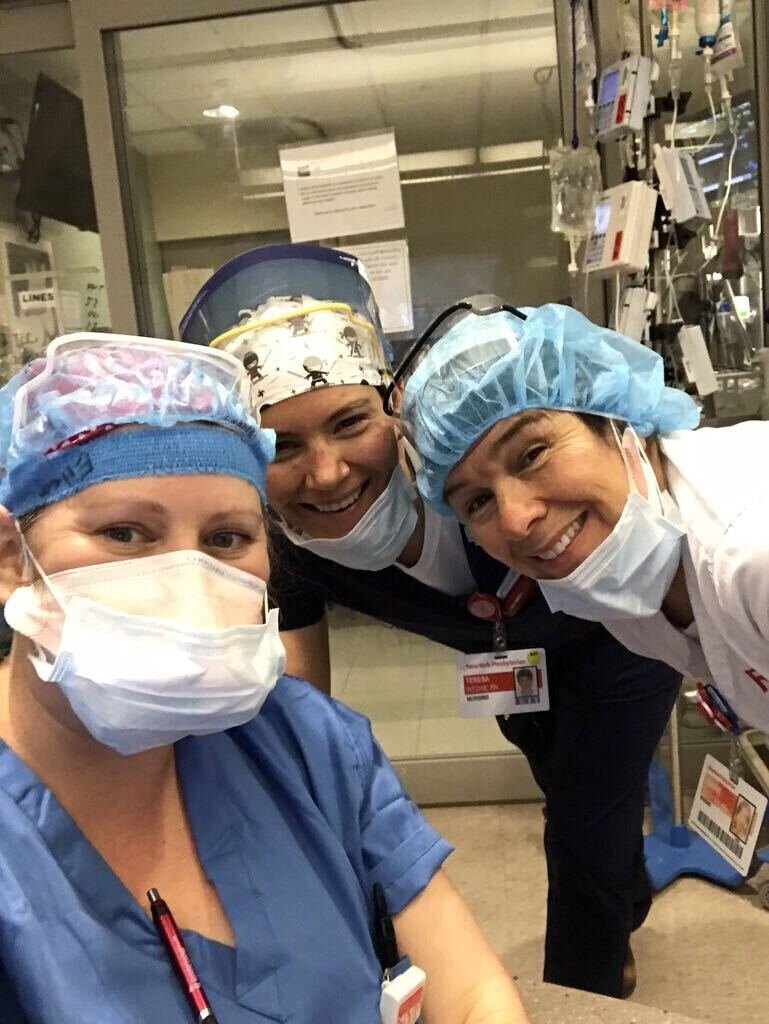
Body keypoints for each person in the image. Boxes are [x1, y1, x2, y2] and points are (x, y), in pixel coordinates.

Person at [180, 245, 683, 999]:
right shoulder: (291, 543)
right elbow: (299, 699)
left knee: (583, 827)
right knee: (570, 795)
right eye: (280, 447)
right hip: (515, 670)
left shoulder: (470, 452)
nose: (326, 473)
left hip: (615, 639)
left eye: (350, 422)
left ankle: (587, 984)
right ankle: (623, 892)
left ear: (392, 404)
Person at [0, 333, 528, 1024]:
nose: (187, 585)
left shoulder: (303, 741)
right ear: (12, 556)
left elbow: (471, 997)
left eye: (225, 539)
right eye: (126, 533)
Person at [398, 300, 769, 736]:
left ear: (615, 418)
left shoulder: (751, 547)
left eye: (533, 454)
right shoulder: (617, 579)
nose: (516, 520)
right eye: (478, 502)